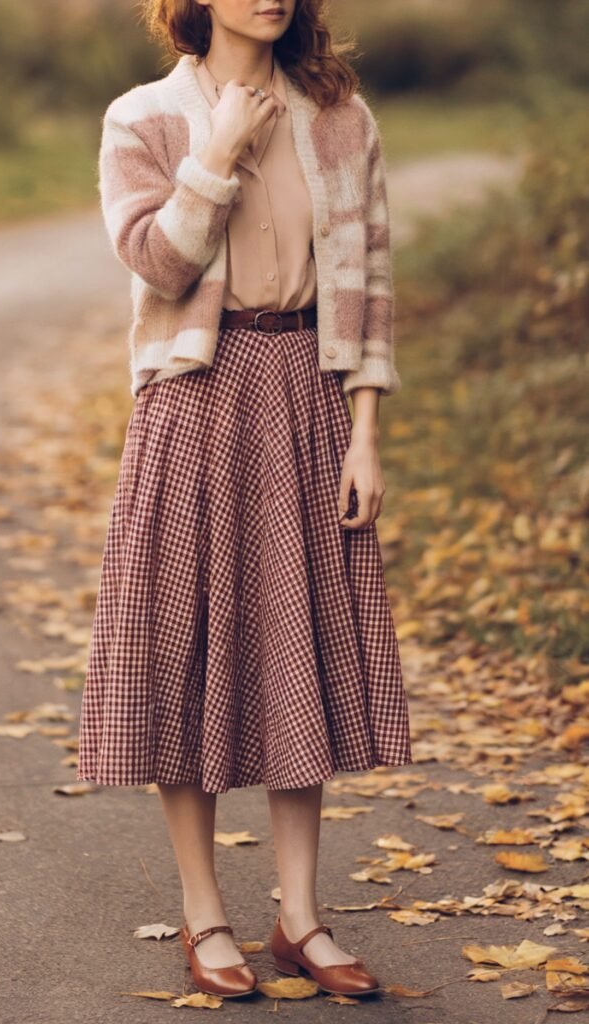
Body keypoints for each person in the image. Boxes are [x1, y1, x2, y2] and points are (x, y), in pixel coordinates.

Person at [76, 0, 413, 1000]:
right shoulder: (142, 118)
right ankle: (204, 912)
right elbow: (159, 262)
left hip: (308, 397)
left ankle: (299, 917)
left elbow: (375, 280)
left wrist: (363, 429)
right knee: (185, 648)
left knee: (292, 647)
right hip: (194, 400)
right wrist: (217, 147)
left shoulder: (341, 115)